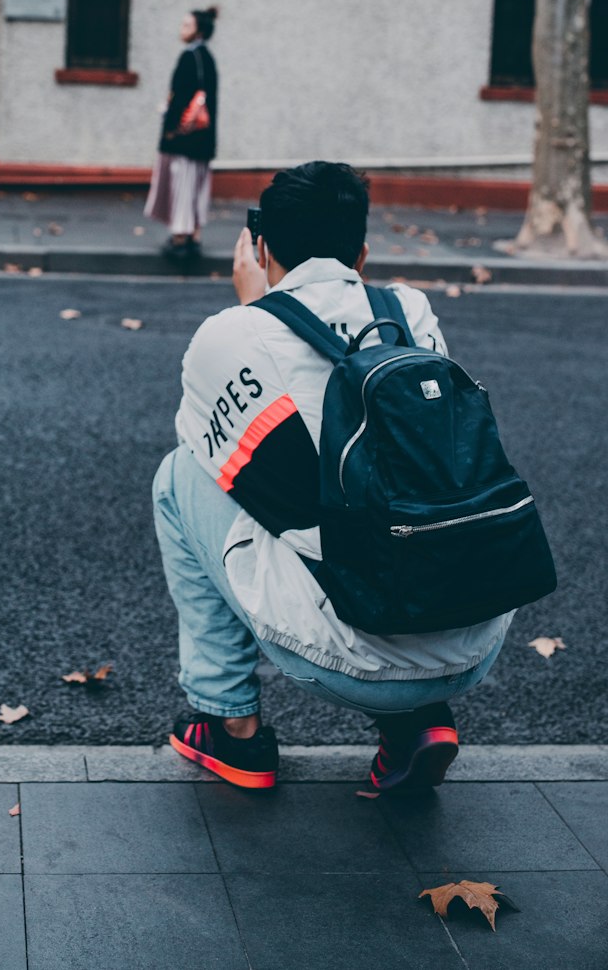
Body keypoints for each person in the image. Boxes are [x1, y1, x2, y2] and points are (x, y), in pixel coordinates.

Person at [152, 161, 512, 794]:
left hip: (355, 658)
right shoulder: (410, 312)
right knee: (394, 501)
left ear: (261, 247)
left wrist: (256, 309)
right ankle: (414, 725)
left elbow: (225, 465)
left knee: (181, 474)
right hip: (471, 635)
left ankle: (230, 727)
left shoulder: (231, 332)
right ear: (363, 253)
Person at [144, 7, 219, 262]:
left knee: (182, 188)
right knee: (196, 187)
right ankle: (194, 235)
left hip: (184, 141)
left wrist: (170, 124)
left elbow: (179, 99)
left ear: (198, 30)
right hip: (202, 140)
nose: (181, 30)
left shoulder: (189, 58)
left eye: (186, 26)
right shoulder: (207, 58)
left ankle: (179, 238)